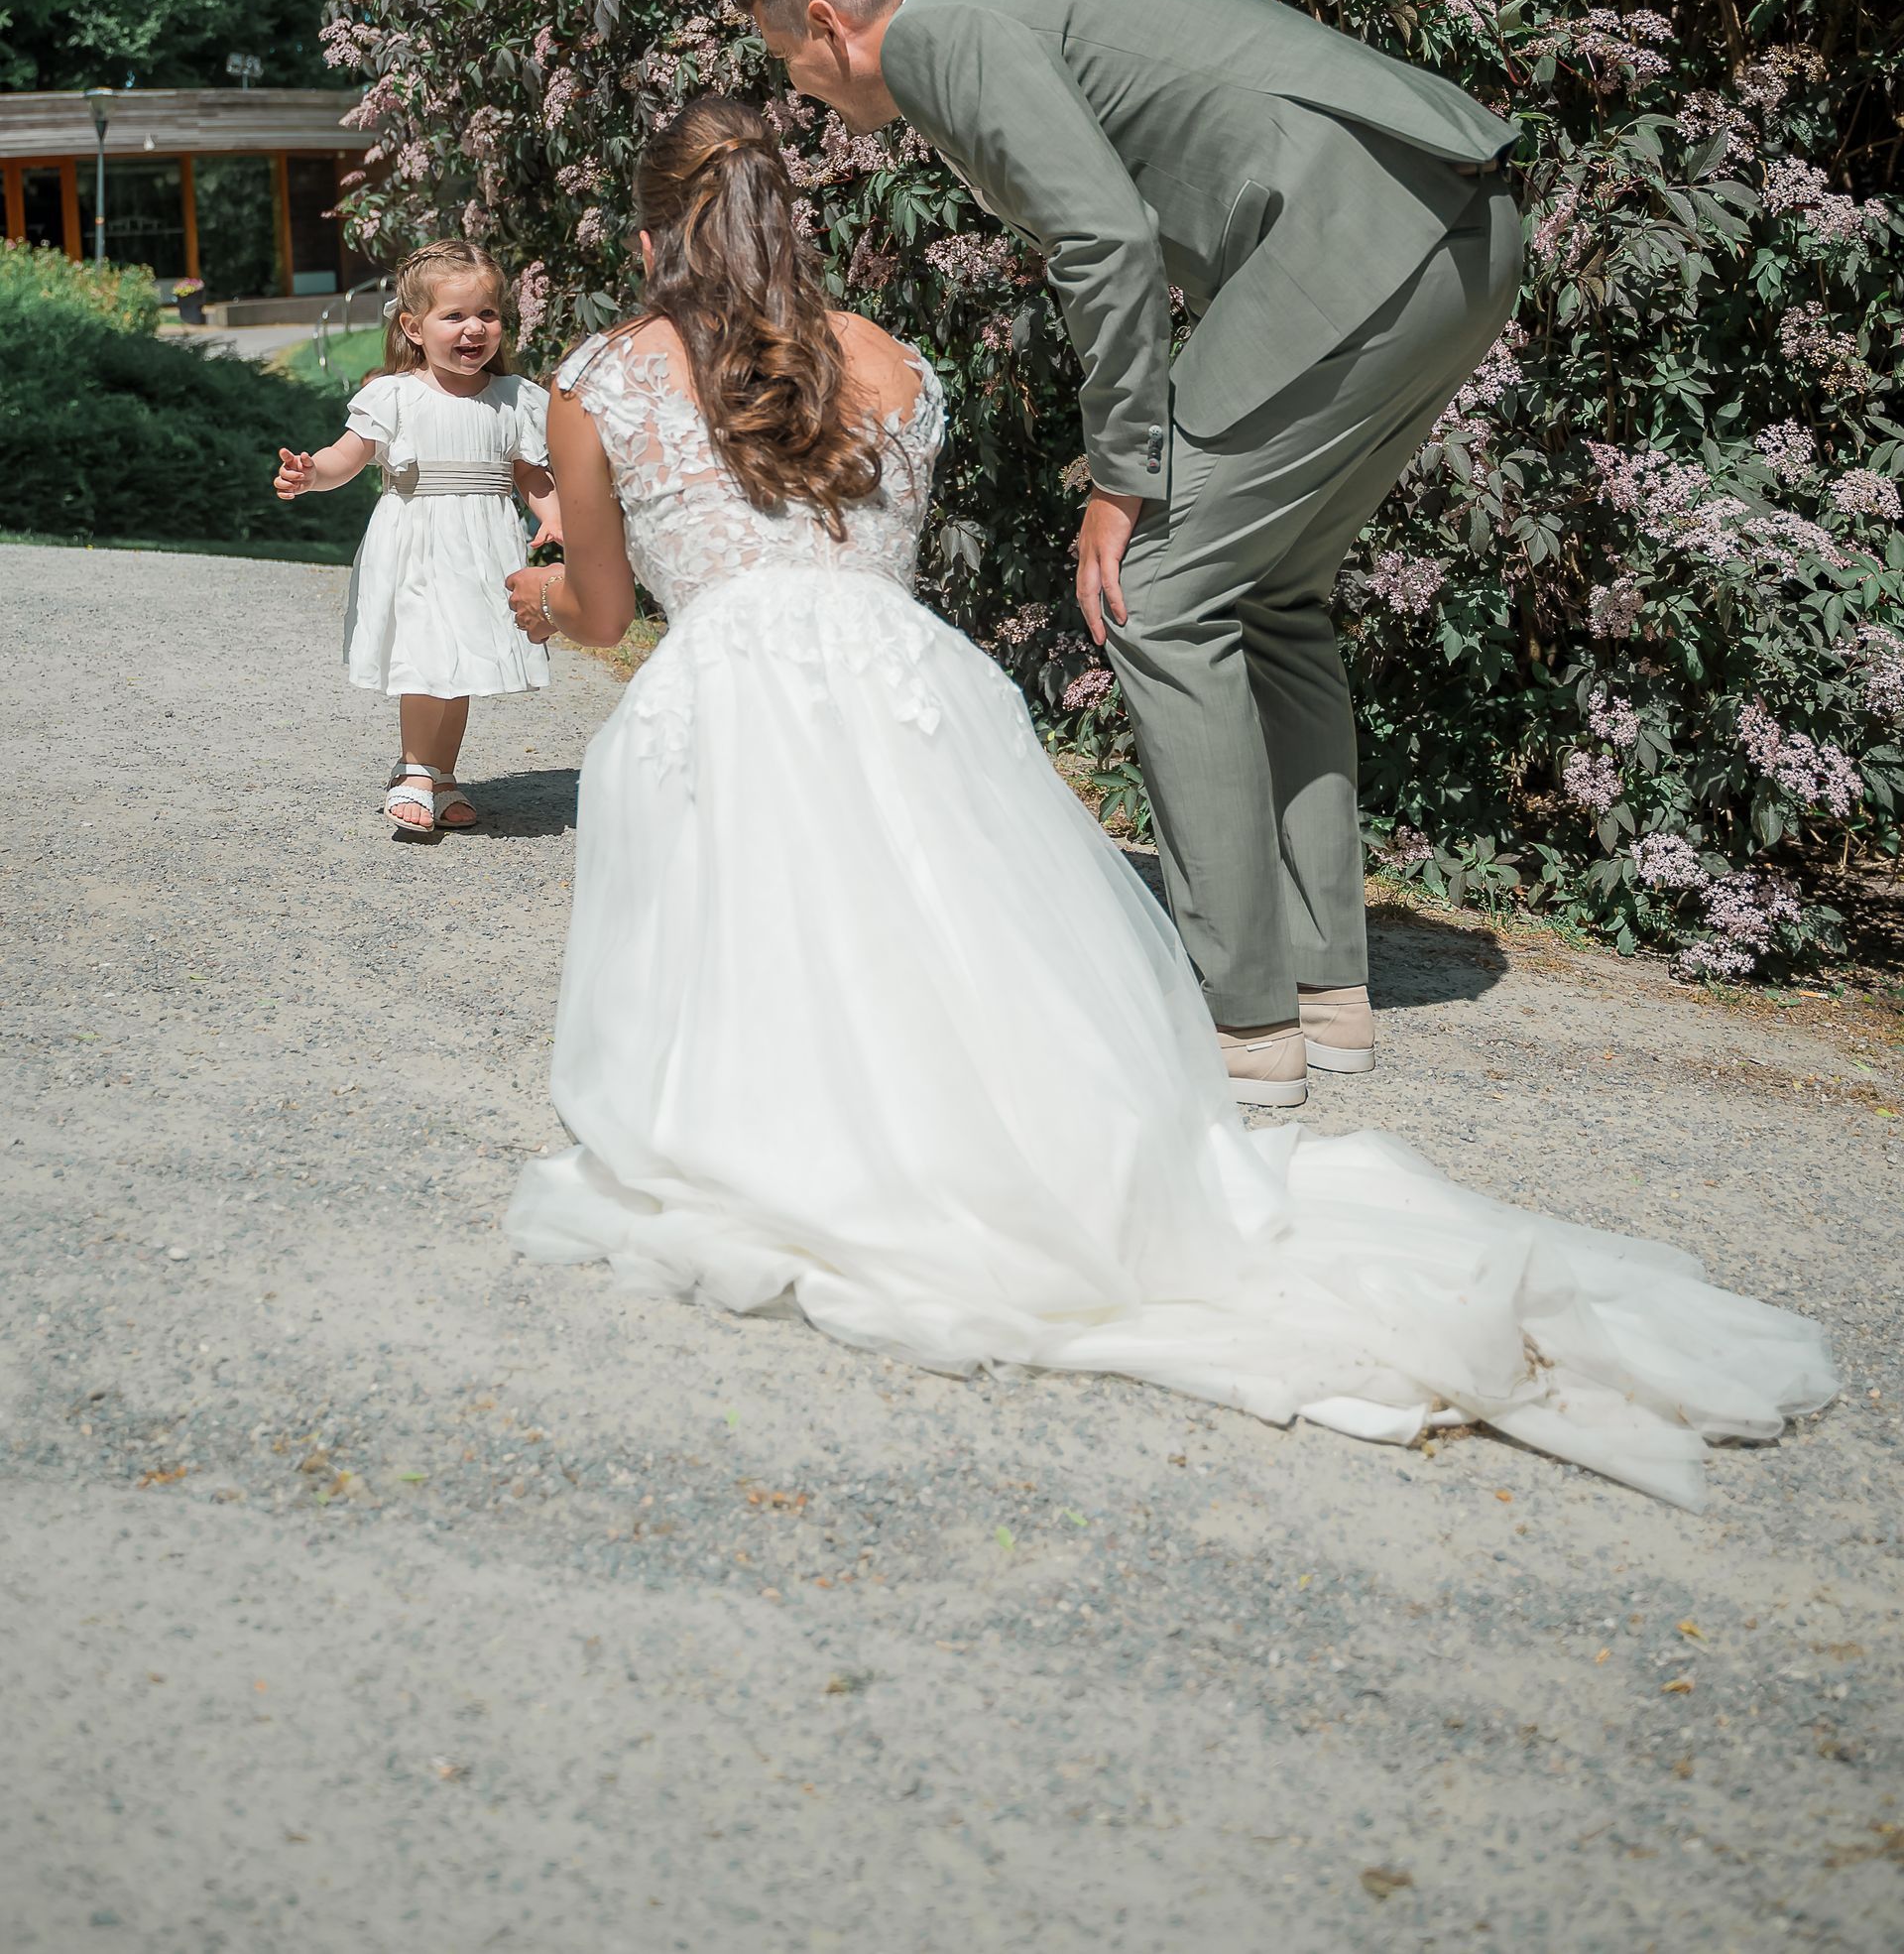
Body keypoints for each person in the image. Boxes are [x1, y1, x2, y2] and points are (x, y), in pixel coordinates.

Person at [501, 97, 1833, 1510]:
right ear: (792, 217)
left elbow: (597, 610)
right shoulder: (896, 368)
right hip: (913, 682)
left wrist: (533, 592)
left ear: (655, 236)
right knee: (944, 934)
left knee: (770, 890)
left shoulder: (602, 377)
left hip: (736, 686)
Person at [731, 0, 1522, 1112]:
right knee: (1274, 596)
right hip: (1454, 232)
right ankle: (1322, 989)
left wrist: (1121, 476)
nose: (809, 94)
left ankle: (1239, 1017)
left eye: (794, 66)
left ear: (829, 23)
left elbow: (1105, 241)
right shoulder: (1001, 7)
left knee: (1151, 590)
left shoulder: (944, 34)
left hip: (1366, 241)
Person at [275, 238, 559, 835]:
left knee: (458, 666)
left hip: (483, 551)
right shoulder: (396, 395)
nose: (473, 329)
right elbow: (346, 458)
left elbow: (529, 475)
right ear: (413, 326)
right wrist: (310, 475)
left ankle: (445, 775)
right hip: (416, 547)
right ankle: (414, 772)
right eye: (453, 316)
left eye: (486, 314)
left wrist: (554, 516)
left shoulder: (514, 399)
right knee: (424, 655)